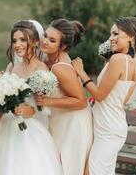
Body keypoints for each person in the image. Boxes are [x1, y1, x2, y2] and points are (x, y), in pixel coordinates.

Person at [72, 16, 136, 175]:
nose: (110, 38)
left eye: (115, 34)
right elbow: (123, 99)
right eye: (111, 34)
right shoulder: (134, 62)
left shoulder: (118, 59)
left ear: (130, 36)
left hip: (108, 130)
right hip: (113, 125)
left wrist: (80, 71)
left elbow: (100, 95)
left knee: (90, 172)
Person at [0, 20, 63, 175]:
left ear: (36, 42)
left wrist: (22, 110)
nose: (18, 45)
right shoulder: (12, 66)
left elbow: (41, 108)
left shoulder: (41, 70)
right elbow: (5, 94)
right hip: (7, 126)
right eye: (15, 40)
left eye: (23, 40)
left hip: (28, 129)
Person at [35, 18, 93, 175]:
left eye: (52, 40)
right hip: (60, 121)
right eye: (45, 36)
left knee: (69, 168)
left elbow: (81, 101)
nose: (45, 41)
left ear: (63, 46)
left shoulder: (61, 68)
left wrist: (48, 101)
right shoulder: (47, 58)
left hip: (73, 125)